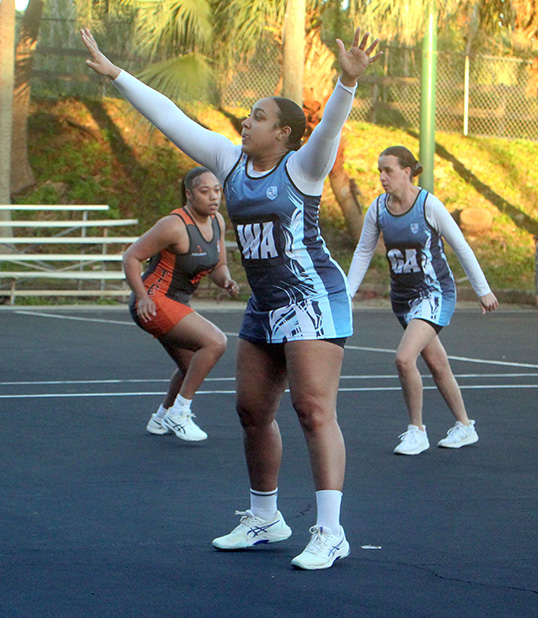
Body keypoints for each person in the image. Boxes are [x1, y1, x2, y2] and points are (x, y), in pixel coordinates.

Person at [81, 26, 382, 570]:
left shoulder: (303, 167)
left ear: (284, 133)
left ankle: (331, 531)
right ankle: (265, 518)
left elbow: (330, 128)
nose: (246, 121)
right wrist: (118, 75)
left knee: (313, 409)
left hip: (312, 297)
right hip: (266, 303)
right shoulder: (230, 162)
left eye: (258, 116)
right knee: (251, 410)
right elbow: (171, 117)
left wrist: (347, 82)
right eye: (248, 114)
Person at [347, 146, 498, 455]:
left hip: (434, 293)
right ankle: (465, 426)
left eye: (388, 170)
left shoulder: (428, 205)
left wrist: (482, 289)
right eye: (379, 171)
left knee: (404, 359)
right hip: (403, 298)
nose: (382, 177)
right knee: (436, 363)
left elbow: (460, 246)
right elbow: (363, 251)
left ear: (407, 172)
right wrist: (347, 294)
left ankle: (416, 430)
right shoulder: (378, 209)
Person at [125, 166, 239, 442]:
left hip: (176, 302)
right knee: (215, 342)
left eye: (217, 190)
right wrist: (142, 297)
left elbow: (218, 266)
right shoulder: (174, 225)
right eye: (205, 191)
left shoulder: (217, 222)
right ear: (189, 194)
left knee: (191, 367)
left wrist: (225, 280)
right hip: (154, 302)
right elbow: (131, 257)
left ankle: (161, 418)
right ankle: (179, 413)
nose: (213, 197)